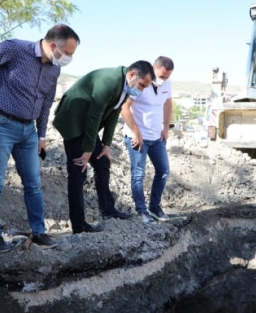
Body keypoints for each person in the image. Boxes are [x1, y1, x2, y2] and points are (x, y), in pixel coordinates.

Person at [0, 24, 80, 253]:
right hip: (1, 124)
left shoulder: (54, 70)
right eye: (68, 52)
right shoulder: (15, 49)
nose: (69, 58)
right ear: (53, 45)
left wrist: (41, 135)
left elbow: (46, 103)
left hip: (28, 132)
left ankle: (38, 231)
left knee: (33, 184)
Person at [52, 61, 155, 234]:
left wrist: (106, 145)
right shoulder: (110, 81)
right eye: (141, 85)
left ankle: (108, 210)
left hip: (86, 124)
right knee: (78, 171)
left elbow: (114, 114)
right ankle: (78, 225)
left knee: (102, 163)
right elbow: (94, 114)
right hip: (73, 121)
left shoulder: (124, 87)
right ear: (131, 75)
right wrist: (88, 149)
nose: (142, 90)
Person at [120, 56, 174, 223]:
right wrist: (136, 133)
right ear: (153, 68)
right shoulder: (141, 83)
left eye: (167, 77)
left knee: (163, 170)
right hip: (137, 137)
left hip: (156, 136)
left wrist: (165, 128)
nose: (163, 79)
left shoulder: (166, 84)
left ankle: (155, 207)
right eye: (162, 75)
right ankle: (141, 211)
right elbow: (125, 107)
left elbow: (167, 104)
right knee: (138, 174)